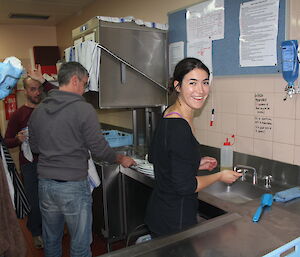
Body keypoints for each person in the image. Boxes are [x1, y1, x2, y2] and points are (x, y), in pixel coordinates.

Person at [28, 61, 135, 257]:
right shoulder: (83, 109)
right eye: (85, 84)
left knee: (51, 240)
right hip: (72, 187)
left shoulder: (39, 110)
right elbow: (100, 150)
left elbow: (34, 147)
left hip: (45, 185)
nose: (85, 89)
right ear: (75, 80)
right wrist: (120, 158)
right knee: (80, 244)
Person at [145, 57, 242, 237]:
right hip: (175, 220)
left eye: (205, 82)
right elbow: (186, 186)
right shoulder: (179, 126)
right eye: (192, 82)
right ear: (178, 86)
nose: (200, 90)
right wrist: (220, 175)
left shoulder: (171, 113)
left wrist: (194, 163)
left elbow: (159, 157)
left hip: (162, 211)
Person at [4, 70, 56, 249]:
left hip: (50, 162)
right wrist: (17, 139)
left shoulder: (48, 109)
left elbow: (60, 98)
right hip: (29, 165)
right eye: (33, 89)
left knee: (51, 198)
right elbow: (6, 141)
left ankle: (52, 228)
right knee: (34, 200)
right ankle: (36, 232)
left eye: (39, 89)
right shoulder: (19, 115)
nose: (37, 93)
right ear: (25, 91)